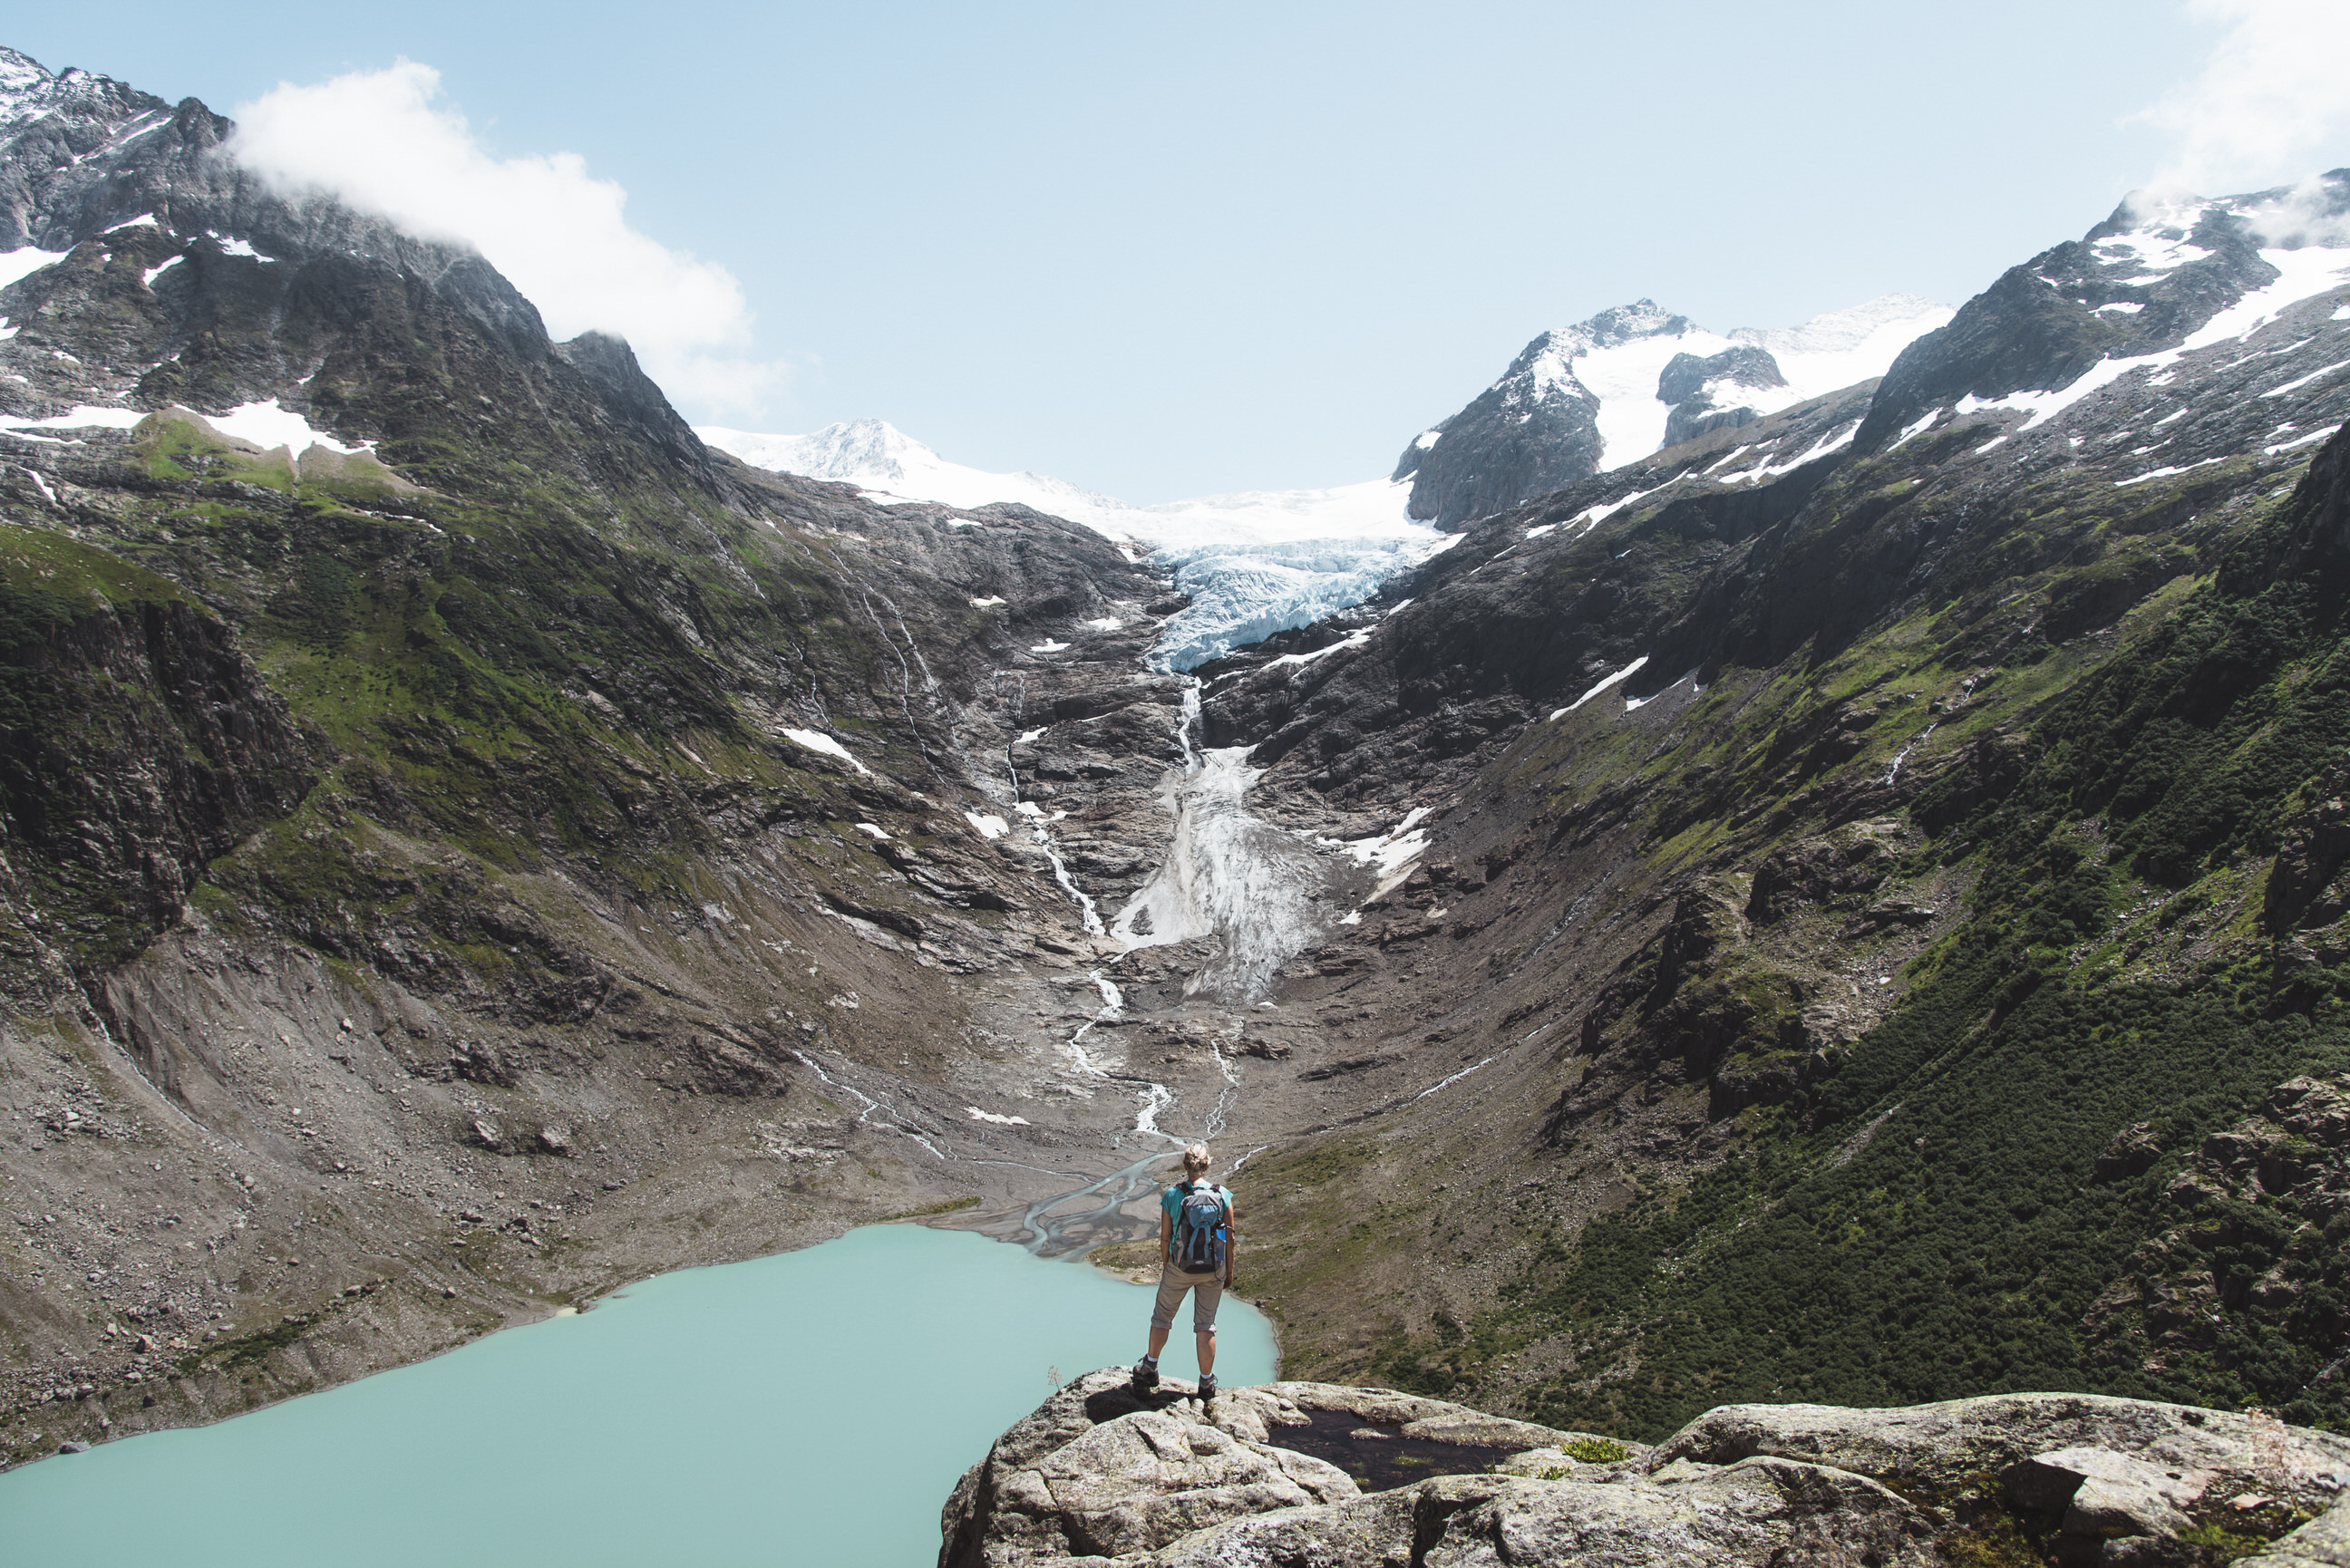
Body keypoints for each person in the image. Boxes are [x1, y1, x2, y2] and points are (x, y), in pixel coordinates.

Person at [1131, 1142, 1235, 1400]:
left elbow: (1165, 1238)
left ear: (1185, 1165)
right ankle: (1206, 1383)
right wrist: (1228, 1271)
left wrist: (1168, 1267)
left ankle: (1149, 1368)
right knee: (1206, 1325)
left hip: (1179, 1267)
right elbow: (1230, 1238)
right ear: (1207, 1164)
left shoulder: (1172, 1195)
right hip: (1213, 1268)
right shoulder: (1223, 1195)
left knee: (1162, 1316)